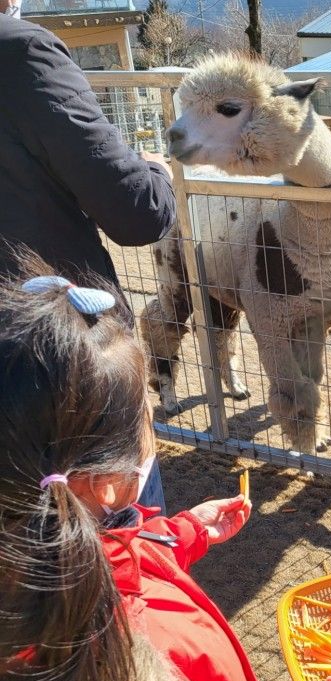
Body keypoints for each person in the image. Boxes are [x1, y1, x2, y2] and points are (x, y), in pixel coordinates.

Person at [0, 257, 331, 681]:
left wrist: (182, 533)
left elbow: (118, 552)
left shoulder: (42, 558)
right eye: (147, 419)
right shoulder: (132, 674)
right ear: (104, 483)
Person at [0, 7, 178, 512]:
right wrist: (156, 173)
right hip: (65, 362)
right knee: (123, 549)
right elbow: (135, 211)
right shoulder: (20, 52)